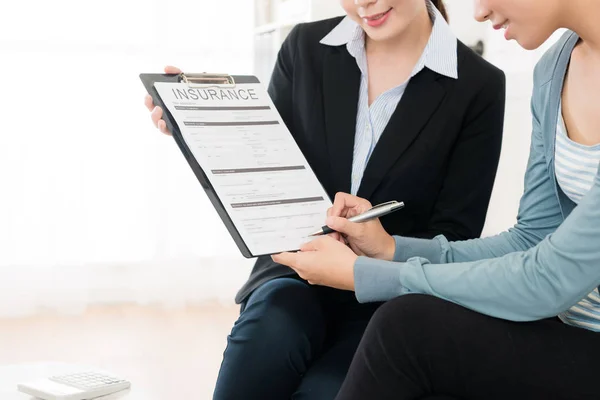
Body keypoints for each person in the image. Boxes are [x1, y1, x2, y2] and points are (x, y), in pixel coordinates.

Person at [145, 0, 506, 398]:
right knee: (267, 335)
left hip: (389, 300)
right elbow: (265, 164)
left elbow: (454, 238)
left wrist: (373, 254)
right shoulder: (304, 47)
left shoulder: (478, 85)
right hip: (295, 275)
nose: (363, 3)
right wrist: (199, 127)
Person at [272, 0, 600, 398]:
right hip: (568, 329)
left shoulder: (479, 83)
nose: (477, 13)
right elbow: (531, 239)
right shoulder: (556, 67)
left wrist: (365, 274)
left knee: (405, 329)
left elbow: (548, 278)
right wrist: (392, 249)